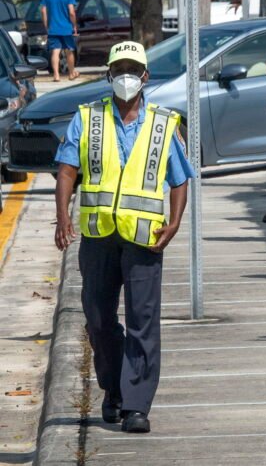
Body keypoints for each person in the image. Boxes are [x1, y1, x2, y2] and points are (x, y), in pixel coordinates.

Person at [53, 41, 194, 433]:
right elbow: (67, 169)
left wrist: (176, 221)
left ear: (145, 76)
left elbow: (180, 179)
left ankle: (136, 405)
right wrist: (63, 215)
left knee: (142, 320)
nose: (126, 77)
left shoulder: (164, 123)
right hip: (98, 235)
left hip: (146, 237)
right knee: (98, 319)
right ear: (109, 75)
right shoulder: (88, 118)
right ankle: (112, 389)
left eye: (133, 70)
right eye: (119, 70)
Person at [41, 0, 78, 82]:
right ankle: (71, 74)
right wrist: (74, 26)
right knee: (69, 51)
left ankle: (56, 75)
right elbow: (71, 12)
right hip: (66, 28)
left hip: (53, 28)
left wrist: (46, 26)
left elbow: (43, 11)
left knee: (55, 52)